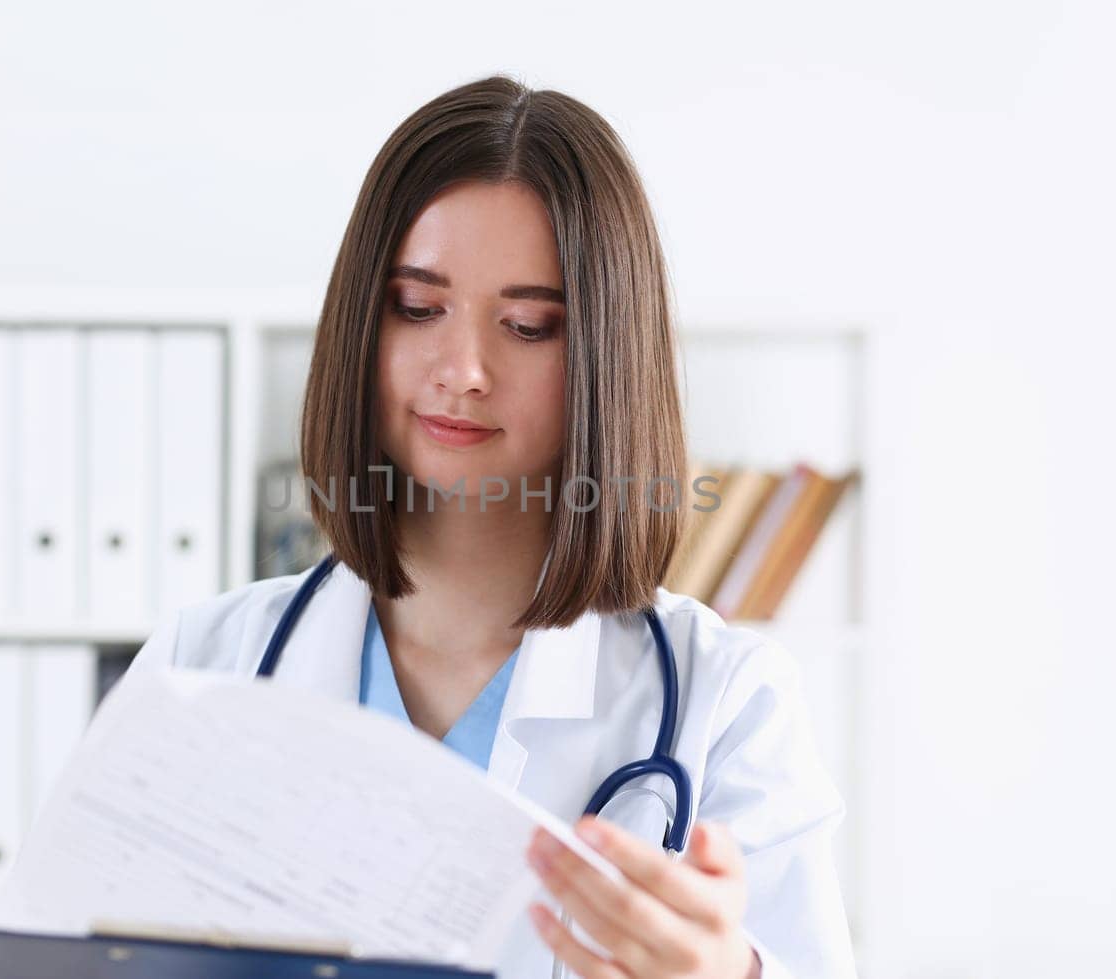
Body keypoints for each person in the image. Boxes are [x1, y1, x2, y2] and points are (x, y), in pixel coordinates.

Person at [122, 74, 857, 979]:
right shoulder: (206, 664)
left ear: (603, 355)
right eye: (418, 308)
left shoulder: (726, 703)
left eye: (527, 324)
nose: (463, 368)